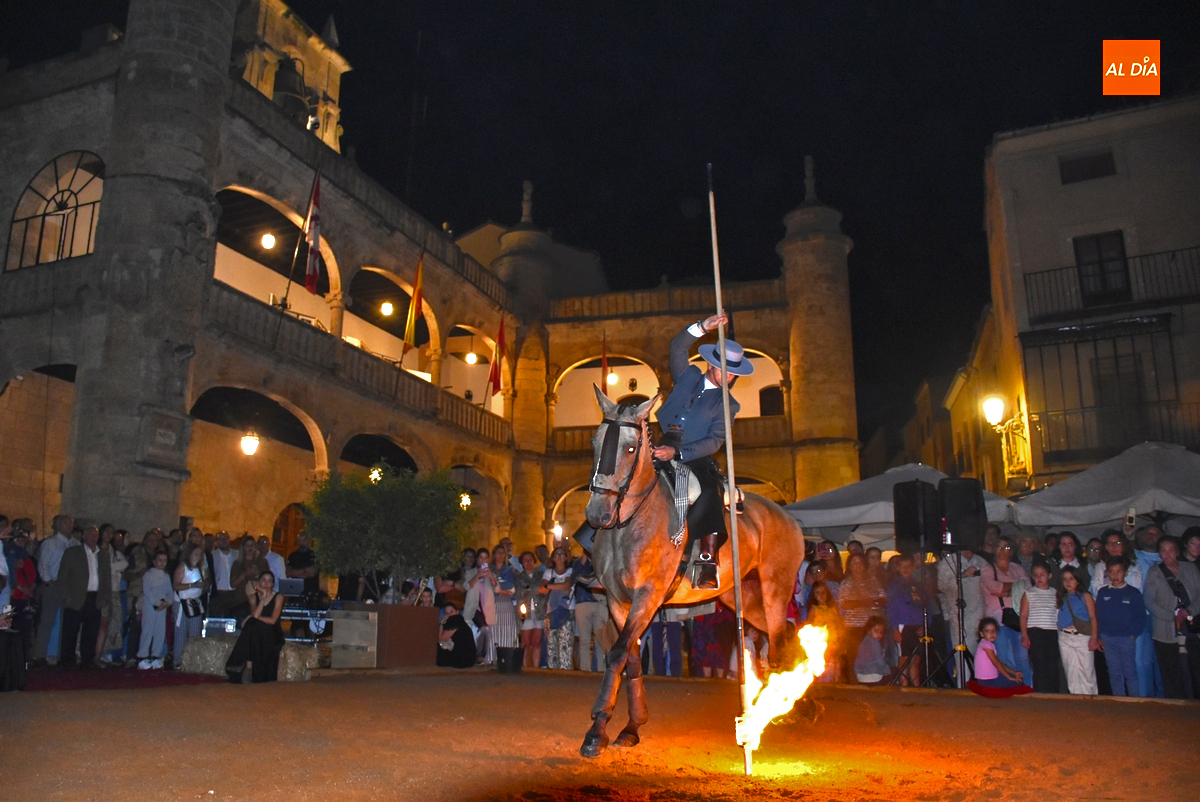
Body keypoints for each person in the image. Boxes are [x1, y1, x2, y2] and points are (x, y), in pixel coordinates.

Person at [651, 310, 752, 590]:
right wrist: (702, 327)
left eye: (733, 373)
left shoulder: (728, 404)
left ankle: (707, 560)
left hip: (695, 456)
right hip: (661, 442)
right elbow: (677, 347)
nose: (729, 377)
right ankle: (597, 545)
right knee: (620, 475)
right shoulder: (688, 376)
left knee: (709, 490)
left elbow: (715, 441)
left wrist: (677, 454)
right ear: (711, 364)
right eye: (725, 370)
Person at [1142, 536, 1200, 699]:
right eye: (1163, 551)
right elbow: (1149, 601)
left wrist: (1189, 611)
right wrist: (1171, 616)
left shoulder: (1190, 568)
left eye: (1171, 550)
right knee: (1171, 671)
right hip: (1165, 630)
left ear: (1177, 551)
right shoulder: (1154, 572)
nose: (1167, 554)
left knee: (1195, 667)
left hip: (1191, 627)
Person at [980, 537, 1032, 686]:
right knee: (1001, 656)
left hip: (1017, 618)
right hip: (997, 620)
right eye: (1000, 547)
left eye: (1007, 548)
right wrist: (1015, 587)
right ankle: (1005, 687)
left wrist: (1005, 590)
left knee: (1022, 657)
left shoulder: (1017, 568)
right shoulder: (988, 569)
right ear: (994, 550)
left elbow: (1027, 587)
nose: (1003, 551)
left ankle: (1026, 687)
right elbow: (993, 587)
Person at [57, 524, 105, 669]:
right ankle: (67, 660)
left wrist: (105, 597)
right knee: (71, 630)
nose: (93, 537)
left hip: (94, 597)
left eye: (95, 535)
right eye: (90, 534)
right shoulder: (72, 552)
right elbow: (63, 576)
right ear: (83, 536)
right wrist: (65, 595)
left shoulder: (102, 554)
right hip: (75, 597)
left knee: (91, 631)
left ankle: (87, 660)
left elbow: (106, 578)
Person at [224, 571, 285, 683]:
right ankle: (249, 668)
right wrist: (262, 600)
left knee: (251, 624)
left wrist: (250, 617)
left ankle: (246, 665)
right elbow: (256, 614)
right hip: (257, 632)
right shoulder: (253, 597)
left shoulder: (278, 597)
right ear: (258, 583)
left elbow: (272, 620)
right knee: (253, 627)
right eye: (263, 580)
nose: (266, 583)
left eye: (269, 581)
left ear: (273, 584)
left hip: (272, 632)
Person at [1095, 557, 1143, 696]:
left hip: (1126, 638)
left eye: (1119, 571)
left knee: (1130, 672)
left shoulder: (1133, 593)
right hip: (1108, 638)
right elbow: (1098, 615)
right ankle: (1119, 700)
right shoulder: (1103, 592)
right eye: (1111, 571)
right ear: (1107, 573)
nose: (1115, 575)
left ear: (1125, 572)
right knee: (1114, 672)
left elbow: (1140, 616)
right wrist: (1099, 636)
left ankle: (1134, 701)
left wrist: (1133, 635)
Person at [31, 514, 73, 664]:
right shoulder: (50, 543)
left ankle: (58, 654)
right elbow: (43, 563)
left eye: (70, 523)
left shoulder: (75, 543)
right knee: (47, 621)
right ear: (58, 525)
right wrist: (48, 581)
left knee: (65, 622)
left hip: (69, 586)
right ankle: (40, 654)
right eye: (65, 522)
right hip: (53, 584)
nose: (69, 525)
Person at [837, 553, 886, 676]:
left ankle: (873, 683)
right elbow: (843, 603)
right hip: (854, 627)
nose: (857, 565)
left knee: (873, 657)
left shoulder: (873, 581)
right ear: (849, 566)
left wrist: (874, 602)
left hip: (873, 627)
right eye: (854, 563)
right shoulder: (846, 583)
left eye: (860, 562)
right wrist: (862, 602)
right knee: (854, 658)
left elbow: (883, 598)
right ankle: (855, 684)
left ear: (864, 565)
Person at [938, 546, 987, 657]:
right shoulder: (948, 562)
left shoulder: (980, 561)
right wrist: (962, 575)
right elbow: (942, 586)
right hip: (959, 615)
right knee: (962, 653)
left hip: (980, 614)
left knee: (980, 653)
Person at [1056, 568, 1099, 695]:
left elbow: (1093, 617)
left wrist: (1094, 638)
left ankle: (1090, 699)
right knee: (1071, 672)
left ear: (1078, 580)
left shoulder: (1085, 596)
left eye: (1071, 579)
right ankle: (1075, 699)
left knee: (1087, 671)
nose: (1068, 582)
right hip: (1065, 636)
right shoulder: (1061, 597)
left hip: (1082, 636)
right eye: (1065, 579)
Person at [1019, 564, 1061, 693]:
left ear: (1049, 576)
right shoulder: (1029, 593)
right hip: (1036, 632)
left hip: (1052, 632)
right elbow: (1023, 615)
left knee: (1052, 664)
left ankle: (1053, 693)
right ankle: (1040, 693)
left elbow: (1058, 613)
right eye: (1036, 575)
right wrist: (1025, 635)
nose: (1039, 578)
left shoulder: (1056, 593)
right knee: (1040, 665)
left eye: (1042, 575)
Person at [886, 554, 926, 687]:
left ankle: (916, 688)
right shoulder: (894, 586)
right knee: (904, 659)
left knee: (916, 659)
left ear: (913, 567)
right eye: (903, 566)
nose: (906, 569)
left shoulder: (918, 585)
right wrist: (894, 628)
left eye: (909, 566)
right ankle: (903, 688)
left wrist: (925, 625)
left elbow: (926, 606)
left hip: (917, 625)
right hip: (903, 625)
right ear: (898, 568)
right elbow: (891, 608)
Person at [172, 543, 209, 671]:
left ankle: (192, 660)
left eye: (200, 554)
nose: (198, 556)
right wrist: (193, 585)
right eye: (196, 553)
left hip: (195, 603)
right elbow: (176, 585)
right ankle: (178, 661)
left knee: (195, 633)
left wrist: (203, 586)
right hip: (182, 604)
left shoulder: (201, 568)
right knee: (181, 633)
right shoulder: (182, 567)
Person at [96, 524, 128, 664]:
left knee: (114, 621)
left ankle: (106, 651)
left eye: (111, 532)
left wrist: (112, 568)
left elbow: (124, 564)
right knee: (100, 622)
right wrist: (112, 569)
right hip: (100, 590)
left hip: (114, 590)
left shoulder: (114, 552)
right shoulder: (96, 550)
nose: (109, 535)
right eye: (106, 532)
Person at [571, 550, 608, 672]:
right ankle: (585, 670)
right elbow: (575, 578)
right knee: (584, 640)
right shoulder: (577, 562)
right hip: (583, 603)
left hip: (600, 603)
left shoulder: (602, 560)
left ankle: (601, 670)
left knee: (600, 640)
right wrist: (583, 561)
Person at [137, 551, 173, 669]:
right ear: (154, 561)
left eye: (164, 560)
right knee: (147, 631)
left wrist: (167, 602)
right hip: (150, 606)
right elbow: (147, 591)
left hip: (162, 607)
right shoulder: (148, 575)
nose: (162, 563)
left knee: (160, 632)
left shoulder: (166, 576)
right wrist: (157, 603)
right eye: (160, 560)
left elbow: (170, 592)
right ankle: (143, 656)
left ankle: (156, 656)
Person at [540, 546, 574, 669]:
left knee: (565, 643)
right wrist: (553, 586)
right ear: (553, 558)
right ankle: (552, 670)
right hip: (551, 611)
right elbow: (542, 588)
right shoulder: (548, 572)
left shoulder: (570, 571)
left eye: (562, 554)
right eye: (557, 554)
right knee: (551, 644)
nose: (559, 557)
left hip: (567, 610)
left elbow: (567, 585)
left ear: (566, 558)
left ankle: (565, 670)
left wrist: (550, 586)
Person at [803, 581, 842, 683]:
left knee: (831, 666)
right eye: (817, 593)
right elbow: (808, 625)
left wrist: (838, 640)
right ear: (813, 596)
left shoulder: (832, 609)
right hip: (819, 644)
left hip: (832, 643)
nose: (821, 595)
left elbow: (838, 624)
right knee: (821, 667)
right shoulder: (814, 609)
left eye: (823, 592)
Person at [974, 617, 1028, 689]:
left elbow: (999, 662)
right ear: (981, 634)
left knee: (1016, 678)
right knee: (1018, 682)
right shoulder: (986, 645)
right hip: (987, 681)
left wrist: (1013, 672)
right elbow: (996, 663)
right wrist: (1009, 677)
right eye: (987, 631)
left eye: (994, 631)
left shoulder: (987, 644)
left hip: (990, 679)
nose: (992, 634)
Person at [514, 551, 545, 668]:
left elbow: (544, 590)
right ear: (522, 563)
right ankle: (524, 667)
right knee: (525, 642)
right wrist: (537, 590)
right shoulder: (519, 577)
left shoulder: (541, 575)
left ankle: (536, 668)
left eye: (530, 560)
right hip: (525, 612)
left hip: (539, 611)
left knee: (537, 642)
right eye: (525, 560)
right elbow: (520, 593)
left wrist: (531, 590)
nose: (528, 563)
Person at [208, 531, 240, 617]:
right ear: (217, 542)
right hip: (218, 593)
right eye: (220, 539)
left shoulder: (237, 555)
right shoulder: (212, 556)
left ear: (229, 539)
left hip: (234, 593)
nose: (223, 541)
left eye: (225, 538)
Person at [436, 602, 477, 668]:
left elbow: (441, 639)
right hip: (469, 659)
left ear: (457, 612)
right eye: (447, 613)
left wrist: (441, 623)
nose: (449, 615)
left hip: (463, 659)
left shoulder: (456, 621)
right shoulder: (461, 622)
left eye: (451, 612)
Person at [854, 616, 892, 684]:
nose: (879, 634)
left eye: (881, 632)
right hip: (873, 677)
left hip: (860, 677)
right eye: (876, 631)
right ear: (868, 630)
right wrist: (887, 670)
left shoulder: (863, 642)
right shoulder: (875, 643)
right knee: (895, 671)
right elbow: (879, 661)